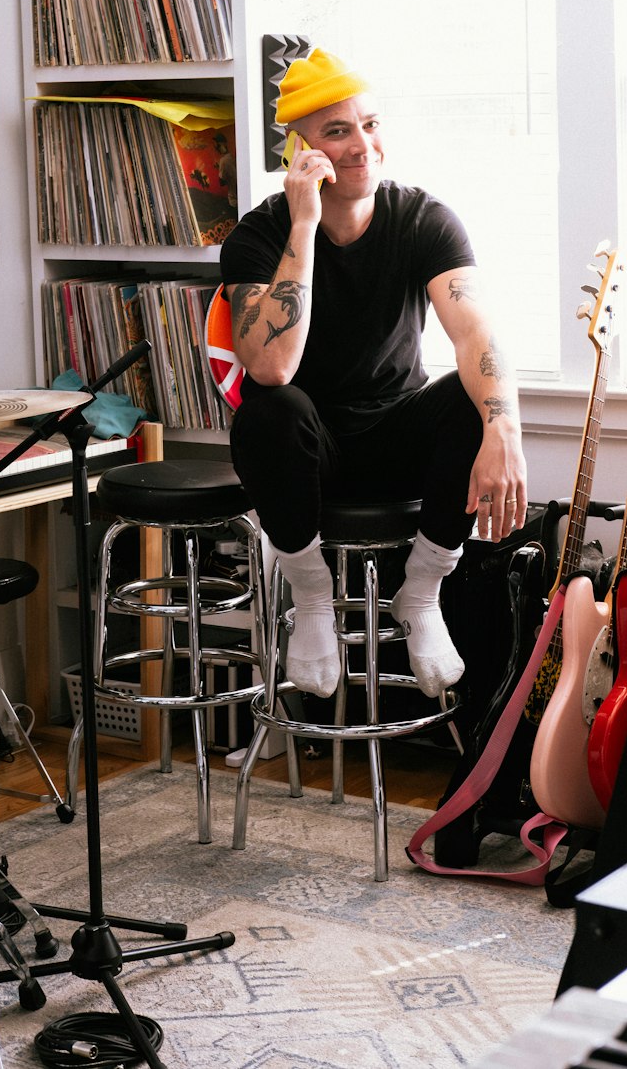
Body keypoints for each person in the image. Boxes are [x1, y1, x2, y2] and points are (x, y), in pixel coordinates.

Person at [219, 47, 528, 701]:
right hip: (309, 456)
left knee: (476, 401)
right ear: (299, 153)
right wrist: (303, 223)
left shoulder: (423, 219)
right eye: (338, 131)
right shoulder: (257, 235)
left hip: (396, 442)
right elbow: (271, 365)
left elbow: (475, 334)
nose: (363, 145)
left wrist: (506, 430)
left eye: (370, 123)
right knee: (269, 406)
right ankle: (311, 596)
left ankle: (419, 594)